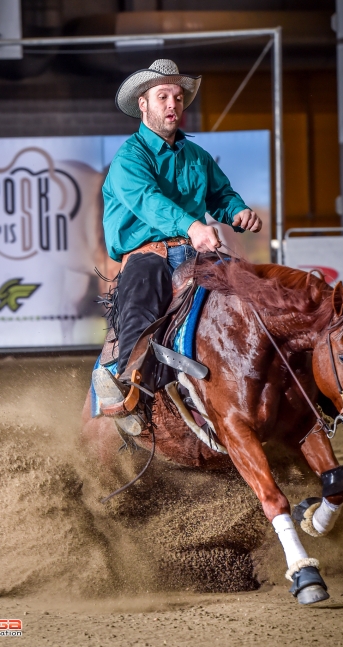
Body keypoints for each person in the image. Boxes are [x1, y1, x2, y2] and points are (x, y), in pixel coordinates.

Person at [93, 59, 262, 433]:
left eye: (178, 97)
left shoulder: (197, 157)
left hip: (195, 251)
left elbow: (221, 194)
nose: (173, 104)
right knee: (140, 300)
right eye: (163, 96)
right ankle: (131, 390)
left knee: (246, 293)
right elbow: (149, 201)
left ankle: (257, 382)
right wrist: (191, 225)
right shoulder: (129, 158)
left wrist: (238, 211)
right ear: (144, 104)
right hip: (147, 255)